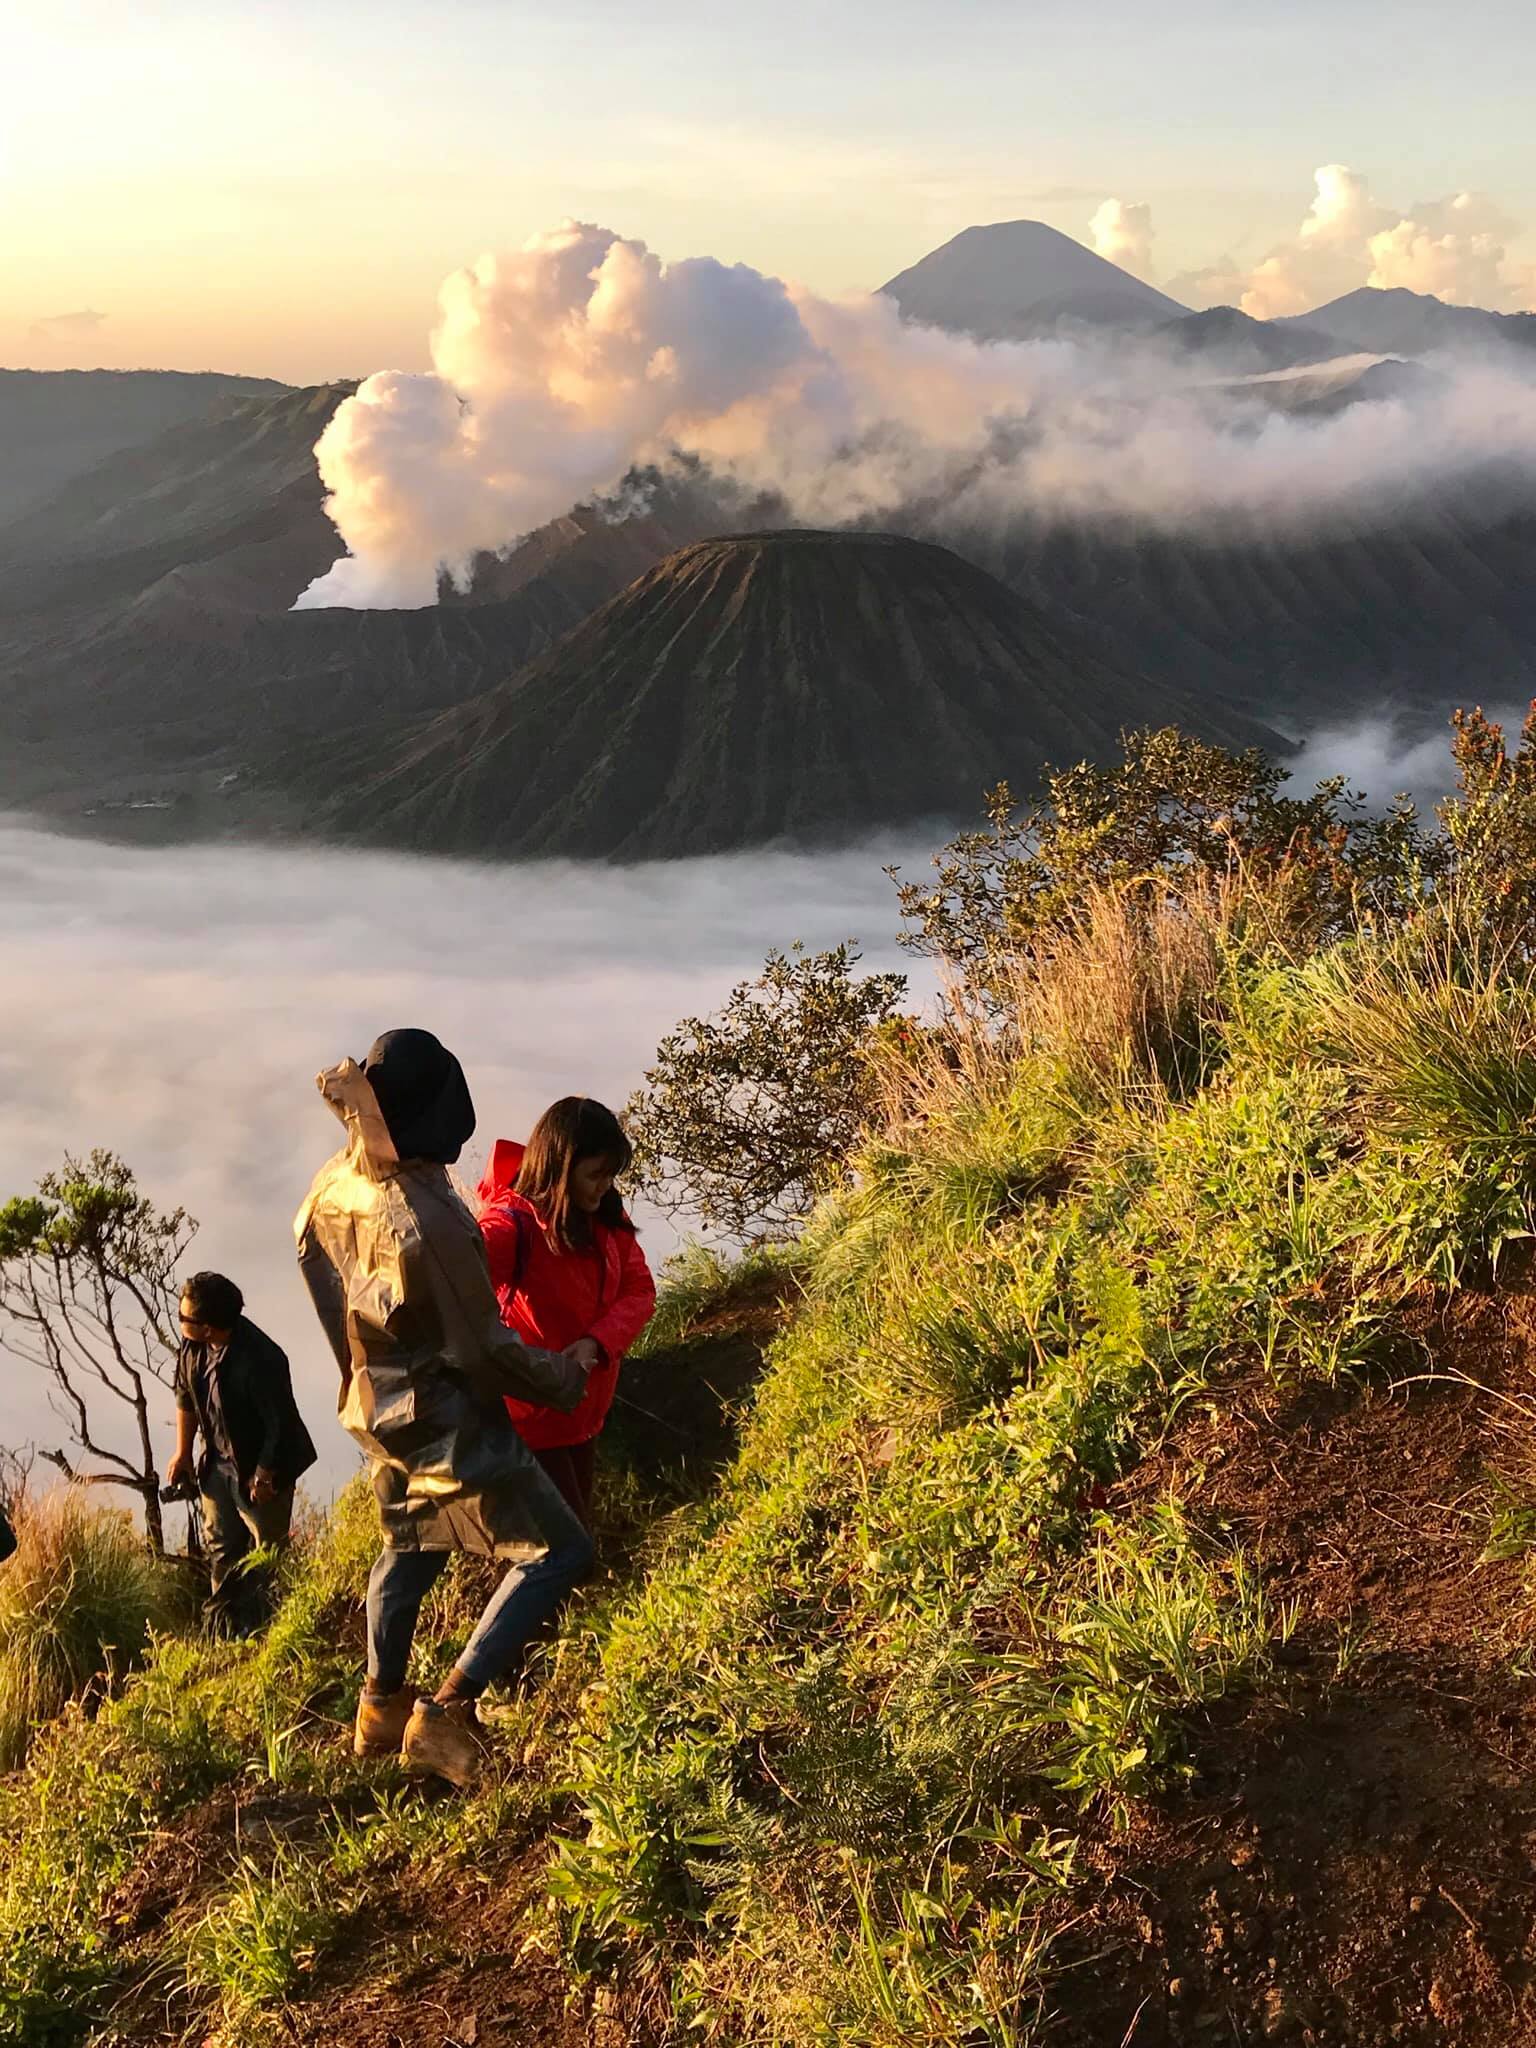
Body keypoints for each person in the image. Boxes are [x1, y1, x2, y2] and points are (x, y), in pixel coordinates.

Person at [295, 1028, 595, 1790]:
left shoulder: (333, 1185)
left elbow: (326, 1291)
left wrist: (362, 1384)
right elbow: (483, 1348)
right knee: (560, 1551)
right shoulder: (430, 1217)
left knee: (409, 1541)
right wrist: (565, 1375)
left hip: (376, 1404)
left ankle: (379, 1704)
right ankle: (448, 1711)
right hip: (446, 1412)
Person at [476, 1098, 656, 1531]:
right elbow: (449, 1280)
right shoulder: (510, 1228)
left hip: (584, 1411)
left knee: (572, 1543)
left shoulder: (606, 1216)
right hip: (533, 1422)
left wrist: (597, 1341)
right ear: (561, 1166)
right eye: (595, 1174)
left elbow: (639, 1289)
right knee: (568, 1551)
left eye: (611, 1174)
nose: (605, 1185)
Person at [167, 1270, 317, 1632]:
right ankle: (228, 1628)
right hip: (218, 1463)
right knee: (222, 1545)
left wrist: (265, 1474)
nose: (180, 1321)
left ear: (209, 1326)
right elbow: (185, 1397)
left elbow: (278, 1423)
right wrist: (183, 1453)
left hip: (264, 1465)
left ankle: (276, 1627)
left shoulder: (262, 1359)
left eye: (185, 1317)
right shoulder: (193, 1346)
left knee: (268, 1552)